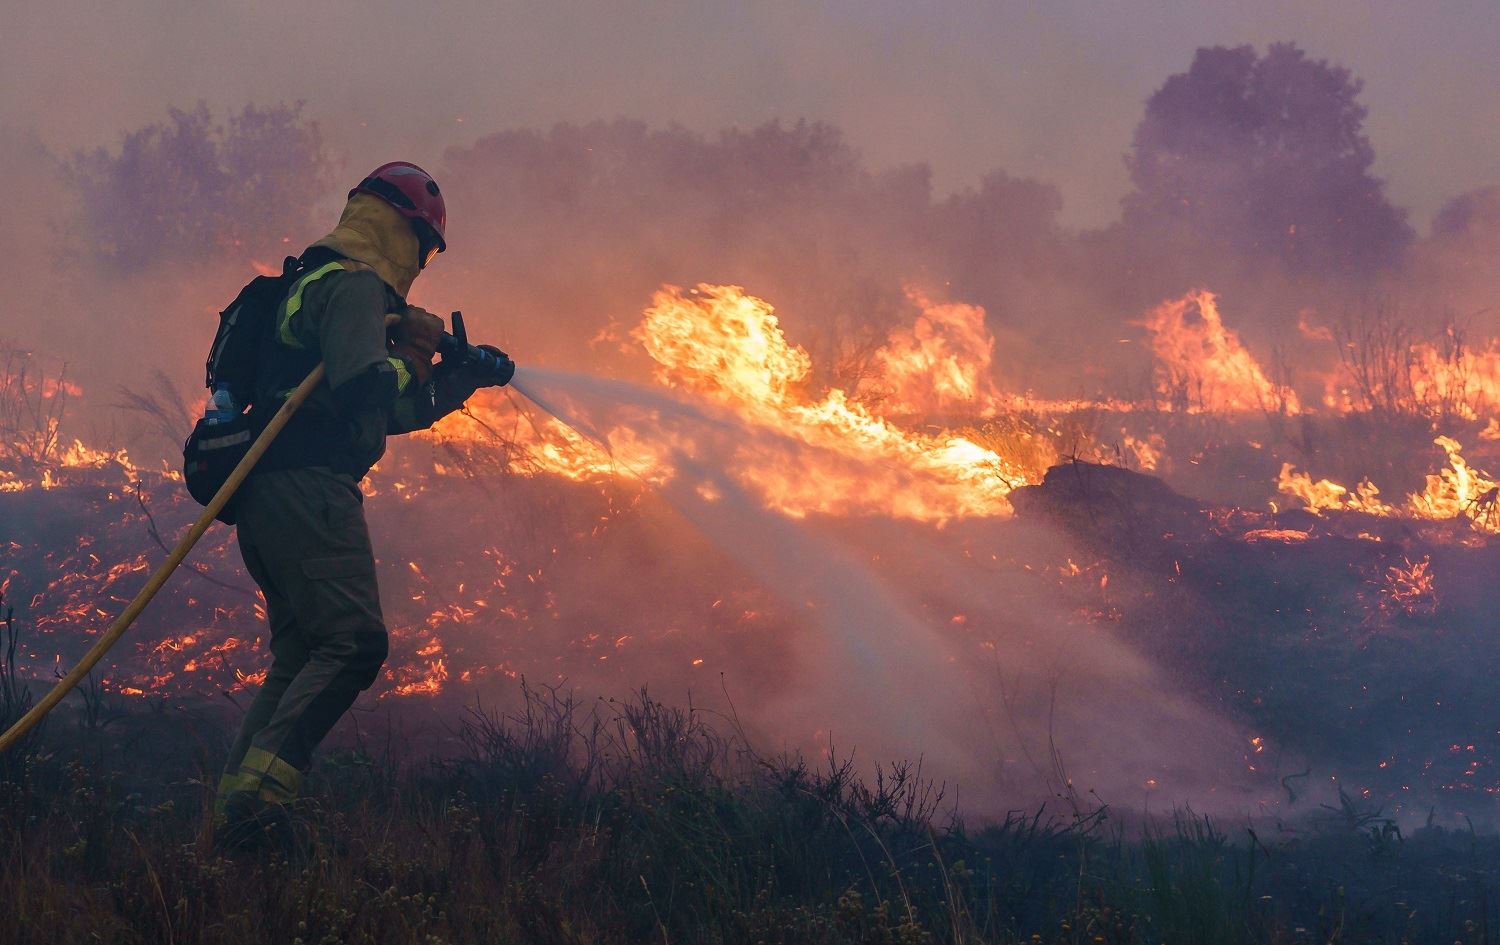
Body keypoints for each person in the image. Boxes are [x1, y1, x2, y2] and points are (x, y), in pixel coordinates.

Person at [212, 162, 510, 848]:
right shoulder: (350, 286)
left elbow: (388, 408)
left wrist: (456, 378)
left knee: (299, 654)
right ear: (399, 231)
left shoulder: (319, 283)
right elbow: (361, 389)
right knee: (354, 641)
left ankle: (233, 815)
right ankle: (261, 806)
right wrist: (409, 349)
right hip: (308, 489)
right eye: (423, 248)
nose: (422, 266)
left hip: (271, 493)